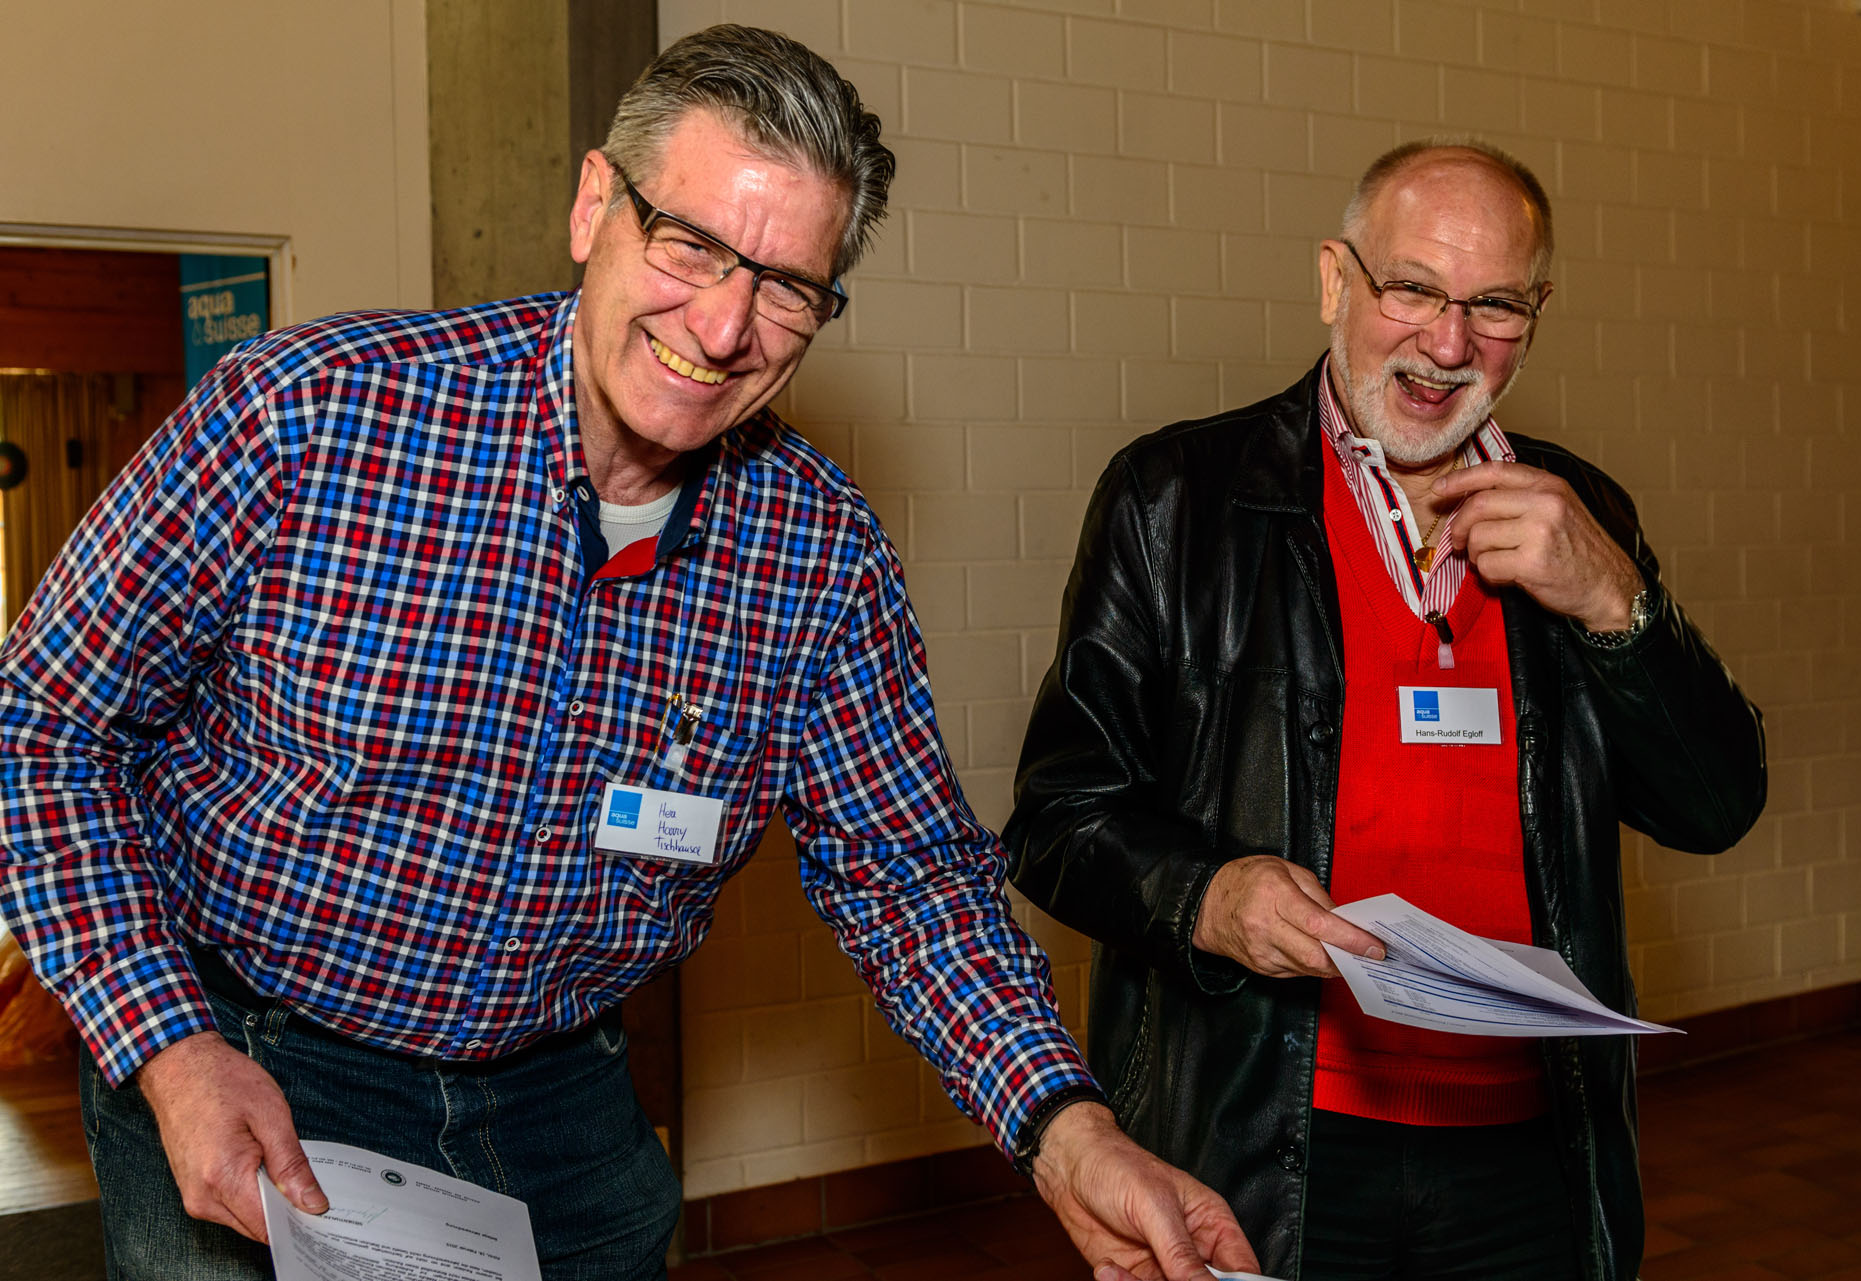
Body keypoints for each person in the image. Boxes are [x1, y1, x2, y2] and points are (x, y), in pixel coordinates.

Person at [0, 25, 1256, 1281]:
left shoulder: (819, 555)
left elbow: (908, 877)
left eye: (787, 287)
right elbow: (43, 724)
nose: (722, 325)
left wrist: (1070, 1134)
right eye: (691, 243)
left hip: (561, 1102)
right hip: (248, 1055)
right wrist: (168, 1049)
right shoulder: (312, 414)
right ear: (594, 203)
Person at [1005, 137, 1767, 1281]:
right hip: (1264, 1137)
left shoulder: (1583, 516)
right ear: (1335, 280)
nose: (1447, 346)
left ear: (1537, 316)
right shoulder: (1176, 502)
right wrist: (1209, 897)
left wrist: (1618, 603)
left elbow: (1717, 804)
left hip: (1533, 1153)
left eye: (1494, 306)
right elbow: (1058, 820)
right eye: (1411, 288)